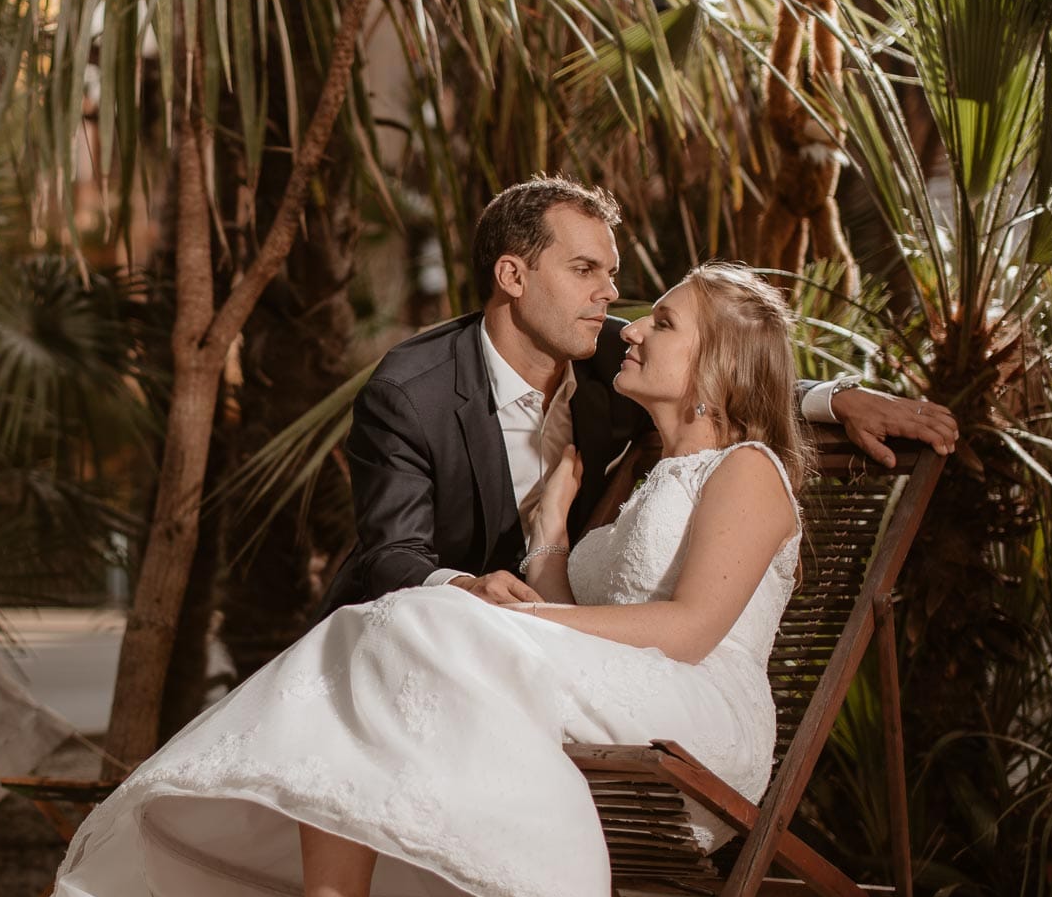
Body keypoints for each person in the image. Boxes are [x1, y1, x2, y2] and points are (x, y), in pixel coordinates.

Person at [0, 257, 851, 897]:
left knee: (428, 618)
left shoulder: (750, 472)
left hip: (693, 717)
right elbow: (574, 597)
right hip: (614, 688)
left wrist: (521, 619)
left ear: (716, 369)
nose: (631, 323)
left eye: (663, 320)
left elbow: (686, 632)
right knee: (390, 617)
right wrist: (558, 521)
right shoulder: (638, 470)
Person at [318, 176, 957, 616]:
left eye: (612, 272)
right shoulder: (410, 394)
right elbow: (393, 556)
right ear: (512, 275)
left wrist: (834, 399)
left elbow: (716, 374)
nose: (607, 293)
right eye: (583, 270)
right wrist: (469, 588)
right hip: (412, 626)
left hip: (552, 649)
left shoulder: (616, 362)